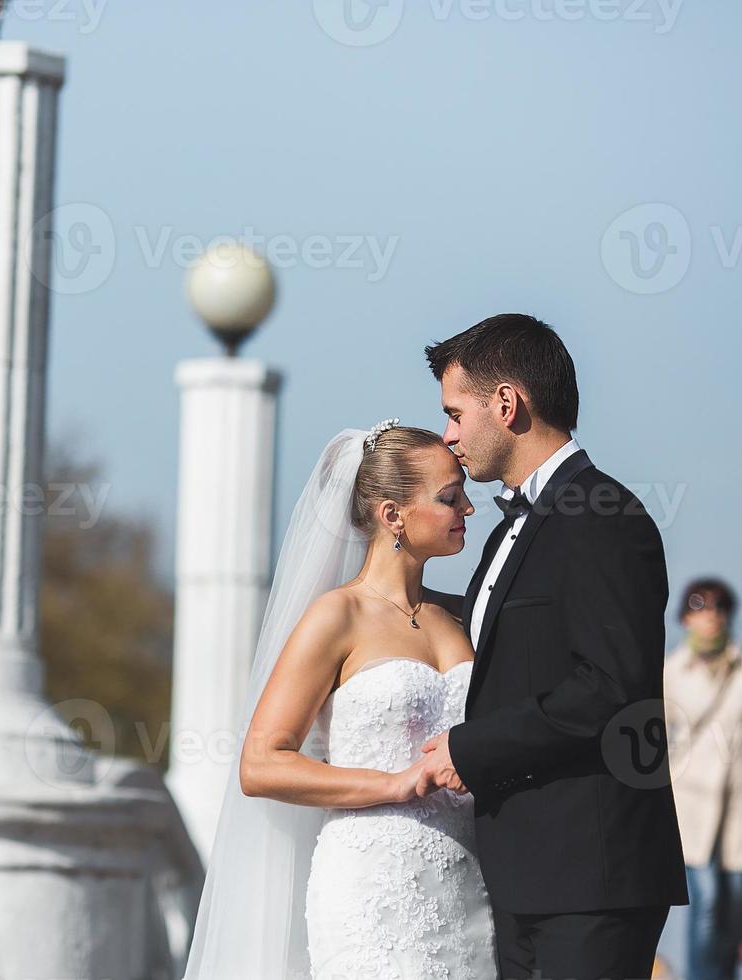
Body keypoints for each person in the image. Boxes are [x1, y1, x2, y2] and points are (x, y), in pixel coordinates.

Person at [418, 313, 690, 979]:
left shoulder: (604, 516)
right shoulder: (511, 526)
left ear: (506, 404)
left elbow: (609, 689)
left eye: (455, 413)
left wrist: (467, 747)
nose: (448, 436)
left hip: (590, 878)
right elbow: (502, 639)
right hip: (522, 871)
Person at [181, 420, 496, 978]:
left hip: (468, 886)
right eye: (449, 497)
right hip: (373, 891)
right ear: (392, 515)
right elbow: (260, 764)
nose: (468, 508)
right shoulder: (337, 615)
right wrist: (392, 783)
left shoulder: (459, 616)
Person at [662, 577, 742, 980]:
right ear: (684, 616)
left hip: (738, 811)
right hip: (692, 812)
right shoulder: (670, 673)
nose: (710, 614)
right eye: (700, 605)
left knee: (733, 915)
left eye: (719, 605)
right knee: (708, 905)